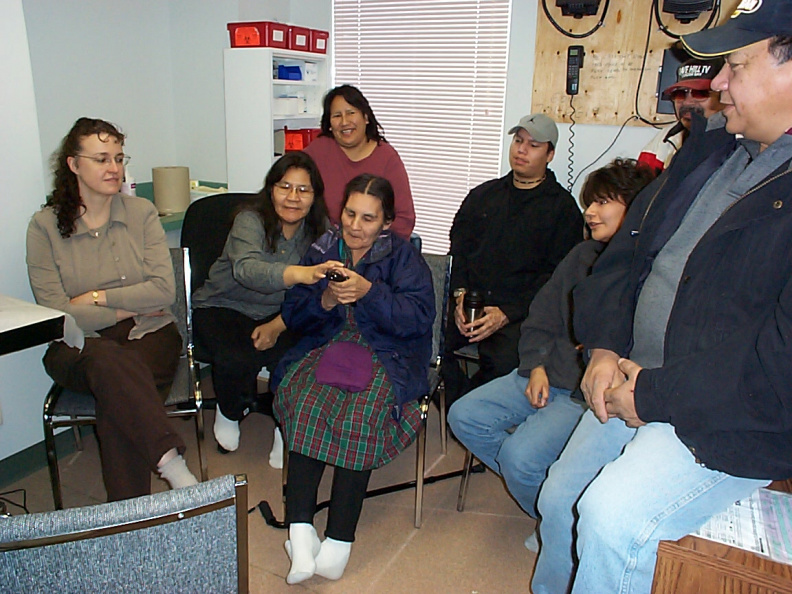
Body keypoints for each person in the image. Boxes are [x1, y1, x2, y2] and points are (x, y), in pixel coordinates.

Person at [532, 2, 792, 592]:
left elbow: (777, 363)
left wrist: (650, 393)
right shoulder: (713, 149)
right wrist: (601, 348)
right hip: (629, 372)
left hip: (719, 412)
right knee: (560, 497)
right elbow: (625, 254)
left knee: (609, 522)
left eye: (738, 66)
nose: (718, 84)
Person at [448, 159, 655, 544]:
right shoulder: (582, 256)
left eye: (602, 203)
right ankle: (556, 514)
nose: (589, 212)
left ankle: (559, 523)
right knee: (464, 416)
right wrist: (536, 365)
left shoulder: (648, 271)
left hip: (582, 396)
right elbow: (541, 315)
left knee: (519, 457)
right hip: (546, 373)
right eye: (589, 203)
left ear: (636, 207)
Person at [270, 174, 434, 584]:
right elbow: (294, 314)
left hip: (386, 352)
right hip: (328, 343)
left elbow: (419, 320)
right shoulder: (322, 250)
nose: (355, 226)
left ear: (386, 222)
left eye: (368, 218)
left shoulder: (403, 257)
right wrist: (325, 300)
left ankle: (340, 539)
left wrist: (369, 292)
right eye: (349, 213)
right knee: (307, 401)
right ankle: (300, 530)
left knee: (358, 415)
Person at [26, 117, 198, 502]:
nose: (114, 168)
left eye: (119, 158)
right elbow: (56, 313)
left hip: (149, 331)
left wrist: (96, 299)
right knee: (111, 366)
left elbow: (162, 291)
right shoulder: (44, 227)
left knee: (116, 401)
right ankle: (173, 465)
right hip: (75, 344)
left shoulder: (141, 213)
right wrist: (124, 306)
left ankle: (129, 519)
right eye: (102, 158)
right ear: (73, 164)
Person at [192, 152, 340, 455]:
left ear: (315, 197)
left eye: (303, 190)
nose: (293, 197)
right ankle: (229, 410)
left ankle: (285, 426)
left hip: (279, 311)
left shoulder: (320, 229)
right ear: (271, 188)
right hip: (225, 303)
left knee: (299, 355)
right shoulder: (249, 220)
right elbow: (247, 270)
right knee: (236, 357)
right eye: (285, 187)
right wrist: (300, 273)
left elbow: (317, 290)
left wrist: (278, 324)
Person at [442, 113, 583, 411]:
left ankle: (468, 417)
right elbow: (458, 254)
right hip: (469, 302)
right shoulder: (482, 196)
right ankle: (457, 408)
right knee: (422, 337)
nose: (521, 150)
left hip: (520, 313)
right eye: (518, 141)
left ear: (550, 154)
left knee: (507, 363)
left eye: (533, 145)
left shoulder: (563, 211)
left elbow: (556, 280)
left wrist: (506, 313)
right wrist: (459, 296)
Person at [304, 84, 416, 238]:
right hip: (328, 247)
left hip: (376, 249)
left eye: (351, 113)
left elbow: (404, 219)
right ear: (329, 125)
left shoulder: (387, 158)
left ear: (366, 117)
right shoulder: (320, 149)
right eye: (337, 116)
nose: (344, 122)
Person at [638, 56, 725, 174]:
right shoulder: (663, 141)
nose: (688, 102)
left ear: (725, 97)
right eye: (680, 93)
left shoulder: (740, 146)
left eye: (700, 93)